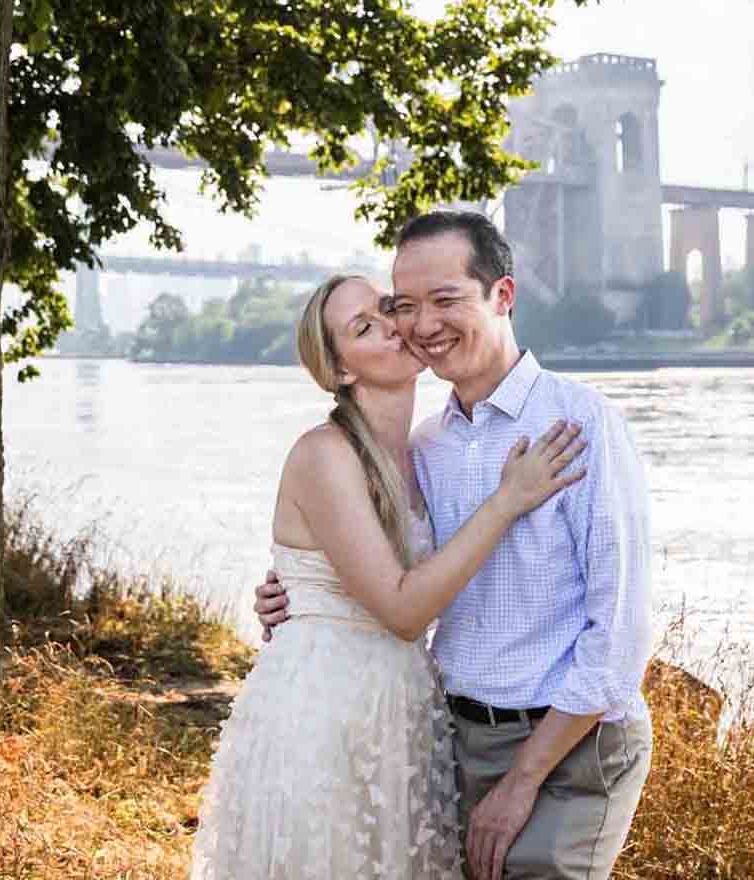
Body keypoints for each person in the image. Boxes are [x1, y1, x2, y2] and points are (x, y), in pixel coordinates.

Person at [256, 212, 655, 880]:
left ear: (503, 296)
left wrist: (524, 779)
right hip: (452, 741)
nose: (421, 324)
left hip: (565, 747)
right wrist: (294, 594)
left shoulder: (579, 422)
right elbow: (400, 580)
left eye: (446, 300)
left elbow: (618, 637)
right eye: (404, 306)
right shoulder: (426, 448)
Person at [189, 272, 588, 880]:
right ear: (342, 370)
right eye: (362, 328)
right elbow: (402, 612)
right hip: (325, 714)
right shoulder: (324, 453)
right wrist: (508, 501)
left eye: (385, 309)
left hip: (406, 713)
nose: (391, 327)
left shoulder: (427, 452)